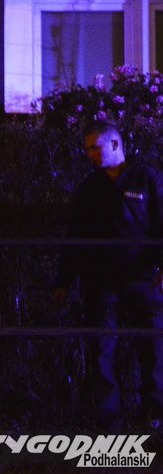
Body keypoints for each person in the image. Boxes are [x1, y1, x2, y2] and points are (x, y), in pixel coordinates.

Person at [53, 121, 162, 429]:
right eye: (87, 148)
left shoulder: (147, 179)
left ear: (115, 144)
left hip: (143, 278)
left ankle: (154, 416)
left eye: (95, 147)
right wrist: (63, 281)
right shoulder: (90, 187)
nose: (89, 154)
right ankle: (109, 421)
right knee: (102, 350)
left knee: (152, 349)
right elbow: (76, 236)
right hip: (100, 282)